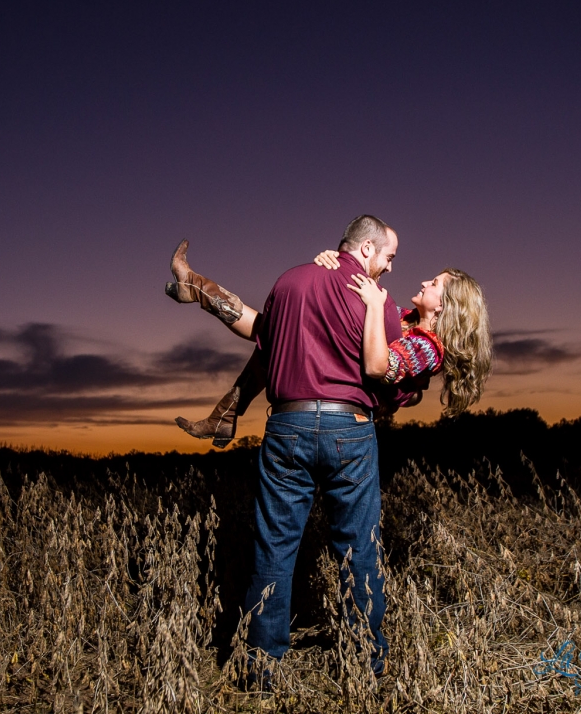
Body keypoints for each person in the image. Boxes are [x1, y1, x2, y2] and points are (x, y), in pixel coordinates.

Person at [163, 215, 490, 682]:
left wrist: (334, 269)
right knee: (358, 549)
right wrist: (356, 285)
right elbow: (372, 362)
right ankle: (364, 661)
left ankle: (260, 666)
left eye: (433, 283)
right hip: (348, 428)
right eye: (389, 256)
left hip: (288, 423)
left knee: (274, 545)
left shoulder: (301, 283)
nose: (398, 270)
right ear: (366, 250)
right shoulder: (385, 307)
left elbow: (283, 336)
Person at [166, 242, 491, 446]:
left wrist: (371, 303)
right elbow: (361, 304)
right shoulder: (406, 317)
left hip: (354, 413)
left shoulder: (429, 348)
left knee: (274, 333)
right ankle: (194, 286)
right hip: (346, 382)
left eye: (434, 283)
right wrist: (337, 264)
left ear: (444, 305)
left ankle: (195, 289)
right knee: (277, 329)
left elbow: (381, 366)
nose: (424, 282)